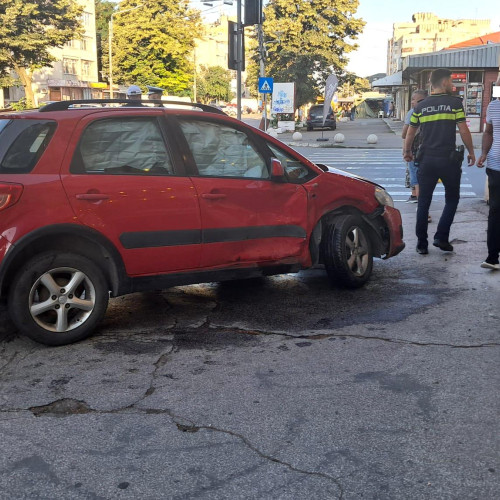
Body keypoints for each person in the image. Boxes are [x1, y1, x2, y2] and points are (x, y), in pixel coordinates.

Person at [404, 68, 475, 255]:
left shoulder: (420, 106)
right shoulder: (454, 104)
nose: (452, 85)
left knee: (423, 202)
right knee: (452, 199)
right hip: (448, 160)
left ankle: (421, 244)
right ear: (444, 83)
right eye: (451, 81)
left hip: (426, 160)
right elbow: (464, 130)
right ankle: (441, 237)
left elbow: (410, 132)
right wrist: (471, 151)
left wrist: (407, 151)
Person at [476, 75, 500, 270]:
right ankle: (492, 258)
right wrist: (484, 153)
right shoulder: (493, 106)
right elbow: (488, 132)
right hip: (495, 165)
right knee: (495, 211)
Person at [402, 90, 429, 219]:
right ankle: (425, 209)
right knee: (426, 180)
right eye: (412, 99)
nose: (412, 102)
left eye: (414, 99)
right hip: (430, 150)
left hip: (415, 151)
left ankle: (423, 211)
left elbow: (405, 134)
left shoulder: (413, 112)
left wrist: (406, 150)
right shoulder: (431, 110)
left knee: (417, 180)